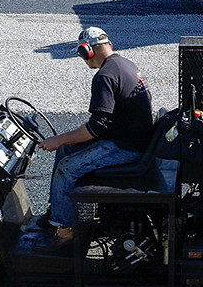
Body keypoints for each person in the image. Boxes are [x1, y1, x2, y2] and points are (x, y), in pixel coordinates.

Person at [30, 26, 153, 248]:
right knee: (66, 150)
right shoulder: (125, 64)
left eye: (81, 54)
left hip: (125, 147)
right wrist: (64, 143)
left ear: (88, 50)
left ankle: (63, 231)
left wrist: (58, 139)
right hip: (131, 138)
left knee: (66, 168)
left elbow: (97, 127)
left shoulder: (105, 76)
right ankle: (57, 209)